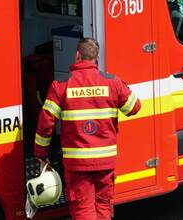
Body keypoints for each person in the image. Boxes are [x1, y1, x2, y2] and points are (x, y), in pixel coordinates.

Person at [34, 38, 141, 219]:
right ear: (97, 57)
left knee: (83, 208)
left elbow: (46, 124)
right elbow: (134, 108)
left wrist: (41, 155)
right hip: (105, 161)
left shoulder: (61, 85)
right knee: (103, 206)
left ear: (77, 55)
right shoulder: (112, 82)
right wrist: (120, 87)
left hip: (77, 163)